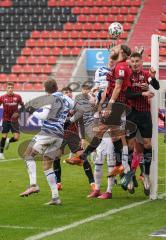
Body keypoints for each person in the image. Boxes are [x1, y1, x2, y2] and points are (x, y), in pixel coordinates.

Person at [66, 44, 133, 174]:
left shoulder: (121, 66)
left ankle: (83, 157)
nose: (113, 51)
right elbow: (109, 88)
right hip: (113, 103)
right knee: (114, 135)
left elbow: (118, 88)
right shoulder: (117, 66)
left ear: (123, 53)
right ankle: (121, 165)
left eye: (117, 49)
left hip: (117, 104)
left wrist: (109, 105)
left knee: (103, 130)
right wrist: (102, 102)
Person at [20, 79, 74, 205]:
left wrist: (32, 112)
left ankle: (33, 185)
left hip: (48, 132)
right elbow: (74, 108)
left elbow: (44, 116)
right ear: (57, 87)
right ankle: (55, 197)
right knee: (47, 165)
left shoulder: (49, 99)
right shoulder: (66, 97)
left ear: (46, 90)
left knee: (28, 155)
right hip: (59, 134)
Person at [126, 51, 160, 196]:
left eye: (137, 61)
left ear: (141, 62)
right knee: (130, 146)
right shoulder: (127, 75)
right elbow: (127, 94)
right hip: (131, 114)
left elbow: (157, 87)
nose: (135, 63)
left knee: (147, 144)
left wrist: (153, 77)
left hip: (145, 114)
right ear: (130, 62)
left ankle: (145, 175)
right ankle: (130, 177)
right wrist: (142, 93)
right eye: (132, 61)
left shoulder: (146, 75)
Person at [53, 87, 95, 192]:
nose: (68, 94)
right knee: (56, 157)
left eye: (70, 92)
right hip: (60, 135)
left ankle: (92, 183)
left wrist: (83, 138)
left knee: (83, 157)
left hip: (73, 135)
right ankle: (58, 183)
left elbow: (80, 122)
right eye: (66, 92)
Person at [0, 82, 24, 159]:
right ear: (6, 88)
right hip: (6, 119)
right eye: (9, 88)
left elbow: (22, 106)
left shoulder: (18, 97)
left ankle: (8, 141)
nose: (10, 89)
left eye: (11, 87)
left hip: (14, 121)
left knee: (16, 138)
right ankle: (1, 153)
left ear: (13, 88)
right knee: (4, 136)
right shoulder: (2, 97)